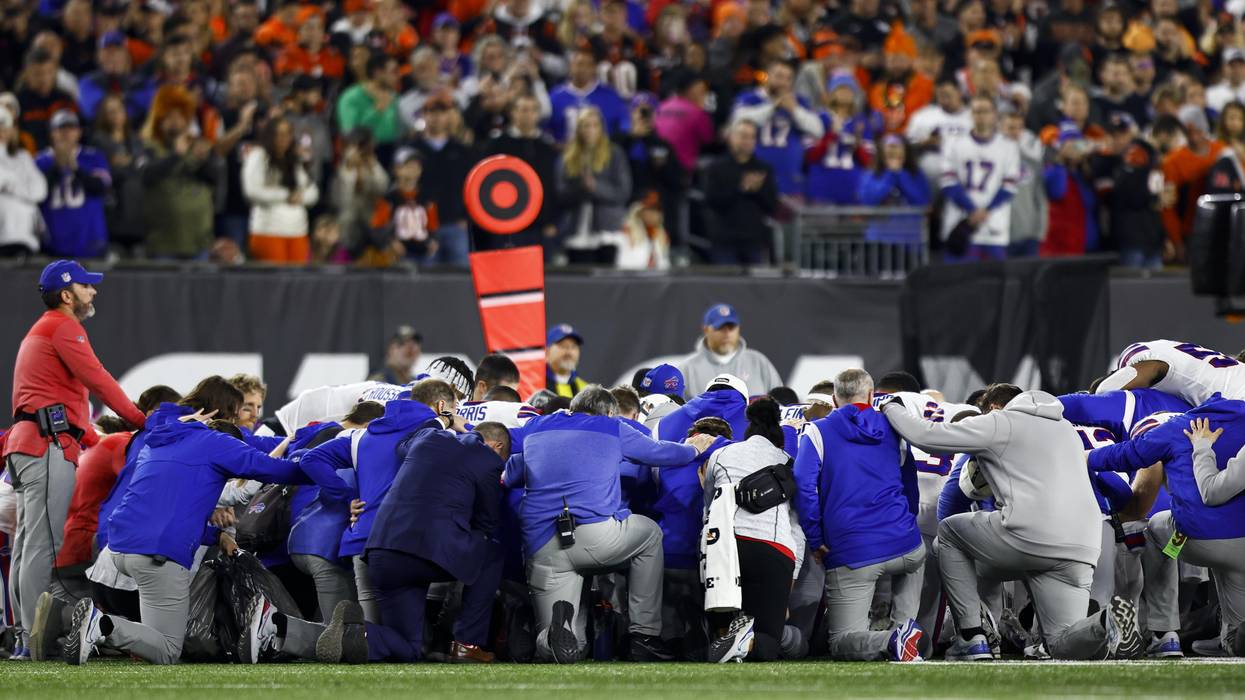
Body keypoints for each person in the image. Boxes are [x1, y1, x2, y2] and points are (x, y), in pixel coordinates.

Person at [878, 382, 1142, 660]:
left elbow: (926, 436)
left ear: (992, 407)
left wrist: (890, 406)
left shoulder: (1000, 422)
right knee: (1060, 643)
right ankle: (1105, 623)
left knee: (948, 533)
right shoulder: (1067, 430)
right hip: (1083, 546)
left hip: (1028, 535)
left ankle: (972, 637)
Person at [64, 412, 350, 666]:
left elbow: (169, 510)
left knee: (153, 638)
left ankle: (96, 625)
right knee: (167, 650)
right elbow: (272, 469)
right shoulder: (217, 443)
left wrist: (216, 535)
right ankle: (100, 625)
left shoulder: (161, 441)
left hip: (118, 549)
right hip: (157, 554)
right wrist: (319, 465)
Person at [503, 385, 715, 663]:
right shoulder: (611, 427)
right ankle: (644, 635)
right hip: (598, 538)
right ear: (610, 412)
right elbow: (661, 454)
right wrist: (692, 449)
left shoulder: (537, 426)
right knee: (650, 535)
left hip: (543, 546)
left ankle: (548, 637)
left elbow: (510, 474)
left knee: (569, 651)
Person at [5, 260, 146, 660]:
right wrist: (140, 420)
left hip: (30, 443)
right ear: (66, 295)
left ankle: (21, 635)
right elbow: (99, 379)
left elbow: (55, 400)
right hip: (46, 446)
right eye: (87, 286)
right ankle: (36, 638)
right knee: (41, 548)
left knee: (27, 546)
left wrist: (88, 434)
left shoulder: (43, 328)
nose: (94, 292)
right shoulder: (63, 326)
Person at [1088, 401, 1245, 656]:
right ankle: (1227, 635)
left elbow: (1212, 492)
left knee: (1153, 529)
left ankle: (1164, 632)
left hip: (1198, 537)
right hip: (1240, 543)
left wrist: (1203, 449)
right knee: (1238, 634)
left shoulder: (1176, 427)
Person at [297, 380, 456, 624]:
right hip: (406, 540)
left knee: (370, 629)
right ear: (442, 405)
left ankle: (352, 639)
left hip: (362, 536)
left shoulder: (362, 437)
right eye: (455, 408)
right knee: (407, 632)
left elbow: (311, 459)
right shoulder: (438, 433)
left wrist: (347, 497)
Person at [793, 369, 925, 662]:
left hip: (854, 552)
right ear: (871, 395)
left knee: (841, 642)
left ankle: (894, 639)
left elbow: (804, 488)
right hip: (907, 546)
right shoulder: (894, 429)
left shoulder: (817, 431)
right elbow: (910, 486)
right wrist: (904, 524)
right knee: (917, 559)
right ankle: (905, 632)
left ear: (834, 399)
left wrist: (816, 539)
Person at [356, 422, 510, 662]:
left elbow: (402, 445)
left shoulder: (426, 438)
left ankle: (352, 633)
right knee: (492, 550)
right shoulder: (488, 460)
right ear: (496, 446)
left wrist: (444, 421)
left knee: (407, 649)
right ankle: (467, 644)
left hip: (383, 551)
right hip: (430, 553)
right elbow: (487, 523)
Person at [701, 398, 805, 662]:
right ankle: (746, 644)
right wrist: (790, 579)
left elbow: (710, 507)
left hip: (726, 550)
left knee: (721, 628)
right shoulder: (788, 462)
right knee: (769, 642)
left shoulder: (721, 455)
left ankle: (731, 638)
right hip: (773, 549)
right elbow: (796, 527)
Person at [136, 85, 224, 259]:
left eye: (180, 116)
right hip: (163, 242)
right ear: (159, 119)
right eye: (169, 117)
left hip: (199, 241)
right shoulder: (148, 147)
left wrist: (204, 160)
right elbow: (146, 174)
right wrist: (177, 155)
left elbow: (215, 177)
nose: (176, 122)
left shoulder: (198, 145)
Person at [939, 95, 1021, 262]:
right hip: (960, 222)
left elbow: (1010, 186)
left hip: (994, 227)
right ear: (970, 114)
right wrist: (972, 210)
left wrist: (985, 211)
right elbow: (947, 182)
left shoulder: (1009, 147)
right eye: (976, 111)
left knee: (994, 284)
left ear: (995, 114)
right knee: (957, 282)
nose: (981, 116)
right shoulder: (953, 143)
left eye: (985, 111)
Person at [555, 106, 632, 265]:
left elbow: (623, 192)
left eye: (595, 125)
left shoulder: (615, 153)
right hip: (576, 230)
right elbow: (560, 193)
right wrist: (581, 187)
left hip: (607, 231)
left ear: (601, 128)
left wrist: (595, 187)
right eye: (586, 125)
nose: (590, 130)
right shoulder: (568, 156)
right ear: (579, 129)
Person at [242, 116, 319, 264]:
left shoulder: (294, 159)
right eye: (278, 134)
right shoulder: (258, 156)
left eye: (287, 134)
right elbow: (252, 191)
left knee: (299, 282)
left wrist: (301, 198)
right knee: (274, 283)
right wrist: (286, 195)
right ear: (270, 135)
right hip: (269, 231)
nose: (283, 138)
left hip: (298, 231)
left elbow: (312, 191)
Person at [703, 120, 780, 265]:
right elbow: (712, 200)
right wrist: (741, 188)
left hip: (754, 240)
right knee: (726, 286)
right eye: (743, 136)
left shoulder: (763, 168)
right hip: (724, 240)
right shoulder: (716, 168)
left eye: (752, 137)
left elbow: (772, 205)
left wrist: (758, 190)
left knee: (756, 287)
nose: (748, 141)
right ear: (731, 137)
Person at [678, 303, 782, 399]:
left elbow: (781, 403)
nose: (727, 333)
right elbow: (675, 412)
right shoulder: (687, 369)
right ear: (706, 329)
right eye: (720, 327)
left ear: (738, 328)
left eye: (731, 327)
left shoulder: (758, 362)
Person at [1096, 339, 1245, 406]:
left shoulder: (1151, 362)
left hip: (1238, 401)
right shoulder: (1171, 349)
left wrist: (1095, 396)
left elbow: (1153, 369)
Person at [547, 45, 630, 142]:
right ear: (570, 67)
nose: (584, 69)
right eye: (579, 64)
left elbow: (624, 126)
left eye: (589, 65)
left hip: (602, 153)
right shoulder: (555, 96)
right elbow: (547, 130)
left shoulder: (610, 96)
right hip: (565, 153)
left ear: (594, 68)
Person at [0, 107, 50, 258]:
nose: (1, 131)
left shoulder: (23, 157)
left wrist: (10, 185)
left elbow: (40, 190)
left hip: (26, 240)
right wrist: (20, 186)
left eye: (4, 126)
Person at [546, 324, 588, 398]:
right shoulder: (536, 385)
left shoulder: (585, 390)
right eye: (563, 346)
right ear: (547, 352)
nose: (569, 352)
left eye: (573, 346)